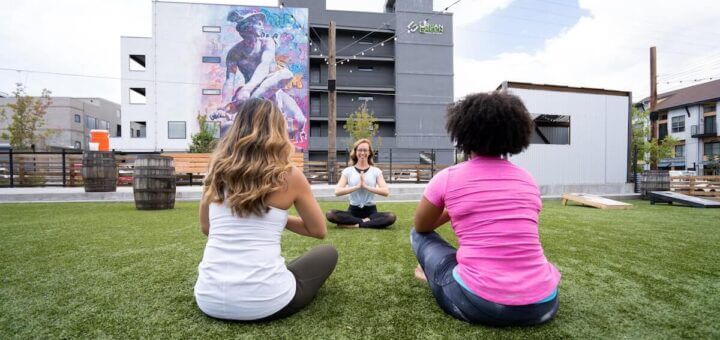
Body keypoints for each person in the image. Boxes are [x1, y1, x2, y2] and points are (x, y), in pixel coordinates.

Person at [410, 92, 561, 326]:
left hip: (480, 304)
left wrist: (451, 210)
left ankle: (430, 274)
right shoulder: (528, 179)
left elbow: (421, 225)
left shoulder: (448, 177)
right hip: (544, 304)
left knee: (417, 236)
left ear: (462, 132)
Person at [194, 98, 337, 321]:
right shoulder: (289, 175)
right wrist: (275, 216)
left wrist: (268, 216)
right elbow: (318, 230)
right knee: (328, 253)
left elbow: (206, 228)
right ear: (278, 129)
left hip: (208, 298)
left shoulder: (216, 171)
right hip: (268, 302)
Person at [210, 10, 306, 141]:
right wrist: (224, 104)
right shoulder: (234, 53)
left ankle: (244, 107)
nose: (262, 26)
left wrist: (247, 88)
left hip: (266, 89)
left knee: (285, 75)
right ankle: (241, 110)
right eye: (259, 23)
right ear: (249, 26)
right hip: (252, 93)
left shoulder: (267, 43)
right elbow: (229, 81)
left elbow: (264, 66)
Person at [325, 139, 397, 229]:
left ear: (369, 152)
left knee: (391, 217)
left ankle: (356, 225)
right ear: (355, 152)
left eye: (365, 150)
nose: (362, 153)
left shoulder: (376, 171)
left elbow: (385, 192)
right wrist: (357, 186)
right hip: (353, 211)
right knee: (330, 214)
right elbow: (337, 191)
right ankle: (365, 223)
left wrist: (366, 187)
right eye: (360, 150)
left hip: (371, 212)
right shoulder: (348, 171)